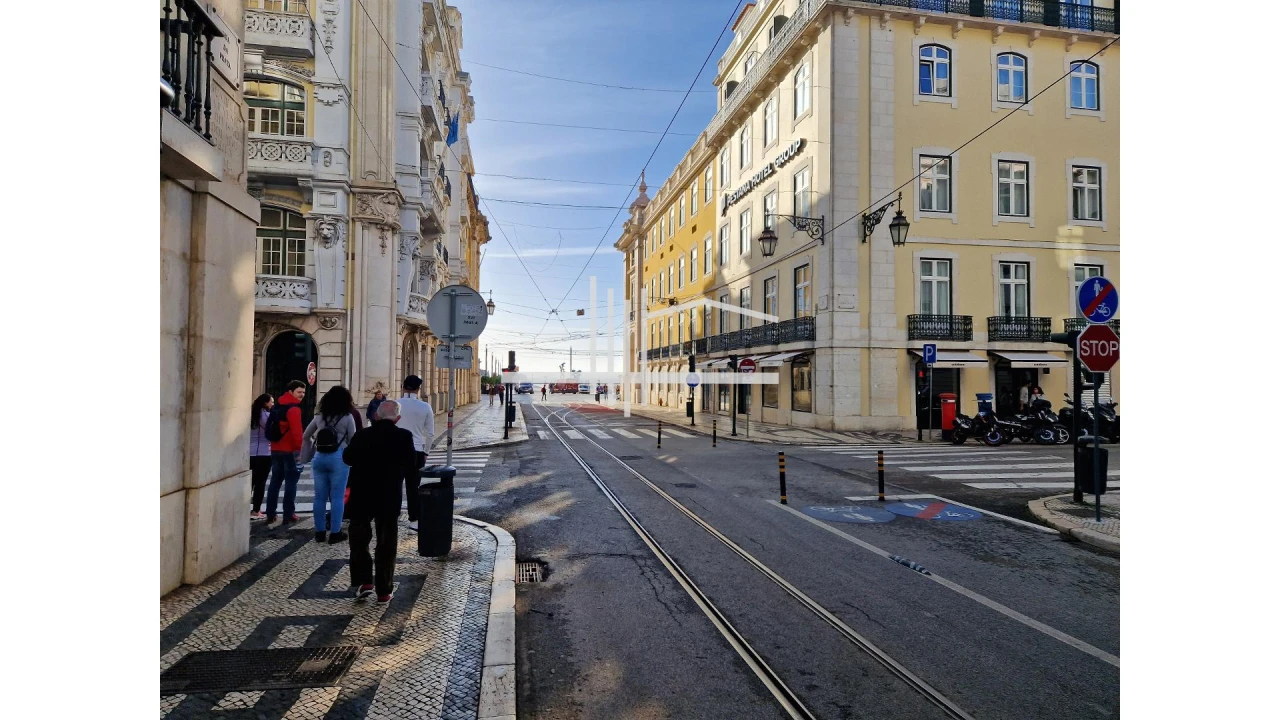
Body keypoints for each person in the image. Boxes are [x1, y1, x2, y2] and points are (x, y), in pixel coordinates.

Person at [344, 400, 418, 603]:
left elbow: (347, 458)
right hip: (388, 496)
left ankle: (363, 582)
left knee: (359, 539)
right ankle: (384, 590)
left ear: (376, 416)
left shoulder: (363, 435)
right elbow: (411, 465)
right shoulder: (404, 437)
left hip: (362, 495)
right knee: (386, 543)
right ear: (398, 418)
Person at [301, 386, 358, 543]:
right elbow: (353, 439)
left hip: (320, 457)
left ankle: (319, 532)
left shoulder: (320, 416)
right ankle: (335, 533)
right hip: (339, 457)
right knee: (337, 497)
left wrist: (312, 446)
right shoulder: (347, 417)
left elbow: (306, 435)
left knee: (319, 496)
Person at [394, 375, 435, 532]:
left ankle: (394, 514)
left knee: (394, 484)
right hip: (416, 450)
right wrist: (426, 452)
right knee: (413, 486)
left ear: (403, 387)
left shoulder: (395, 404)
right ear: (418, 389)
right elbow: (430, 433)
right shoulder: (425, 407)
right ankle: (414, 520)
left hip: (395, 450)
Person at [265, 381, 307, 524]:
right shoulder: (294, 409)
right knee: (291, 482)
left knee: (275, 482)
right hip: (290, 450)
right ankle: (288, 513)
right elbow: (297, 433)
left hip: (276, 449)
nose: (302, 395)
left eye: (303, 392)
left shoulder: (276, 406)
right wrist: (300, 450)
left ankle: (270, 513)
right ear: (291, 392)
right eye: (299, 392)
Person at [248, 393, 274, 519]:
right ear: (265, 403)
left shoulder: (250, 415)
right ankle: (256, 510)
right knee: (260, 483)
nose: (272, 404)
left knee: (250, 483)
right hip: (265, 452)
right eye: (271, 402)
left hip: (250, 452)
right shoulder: (268, 416)